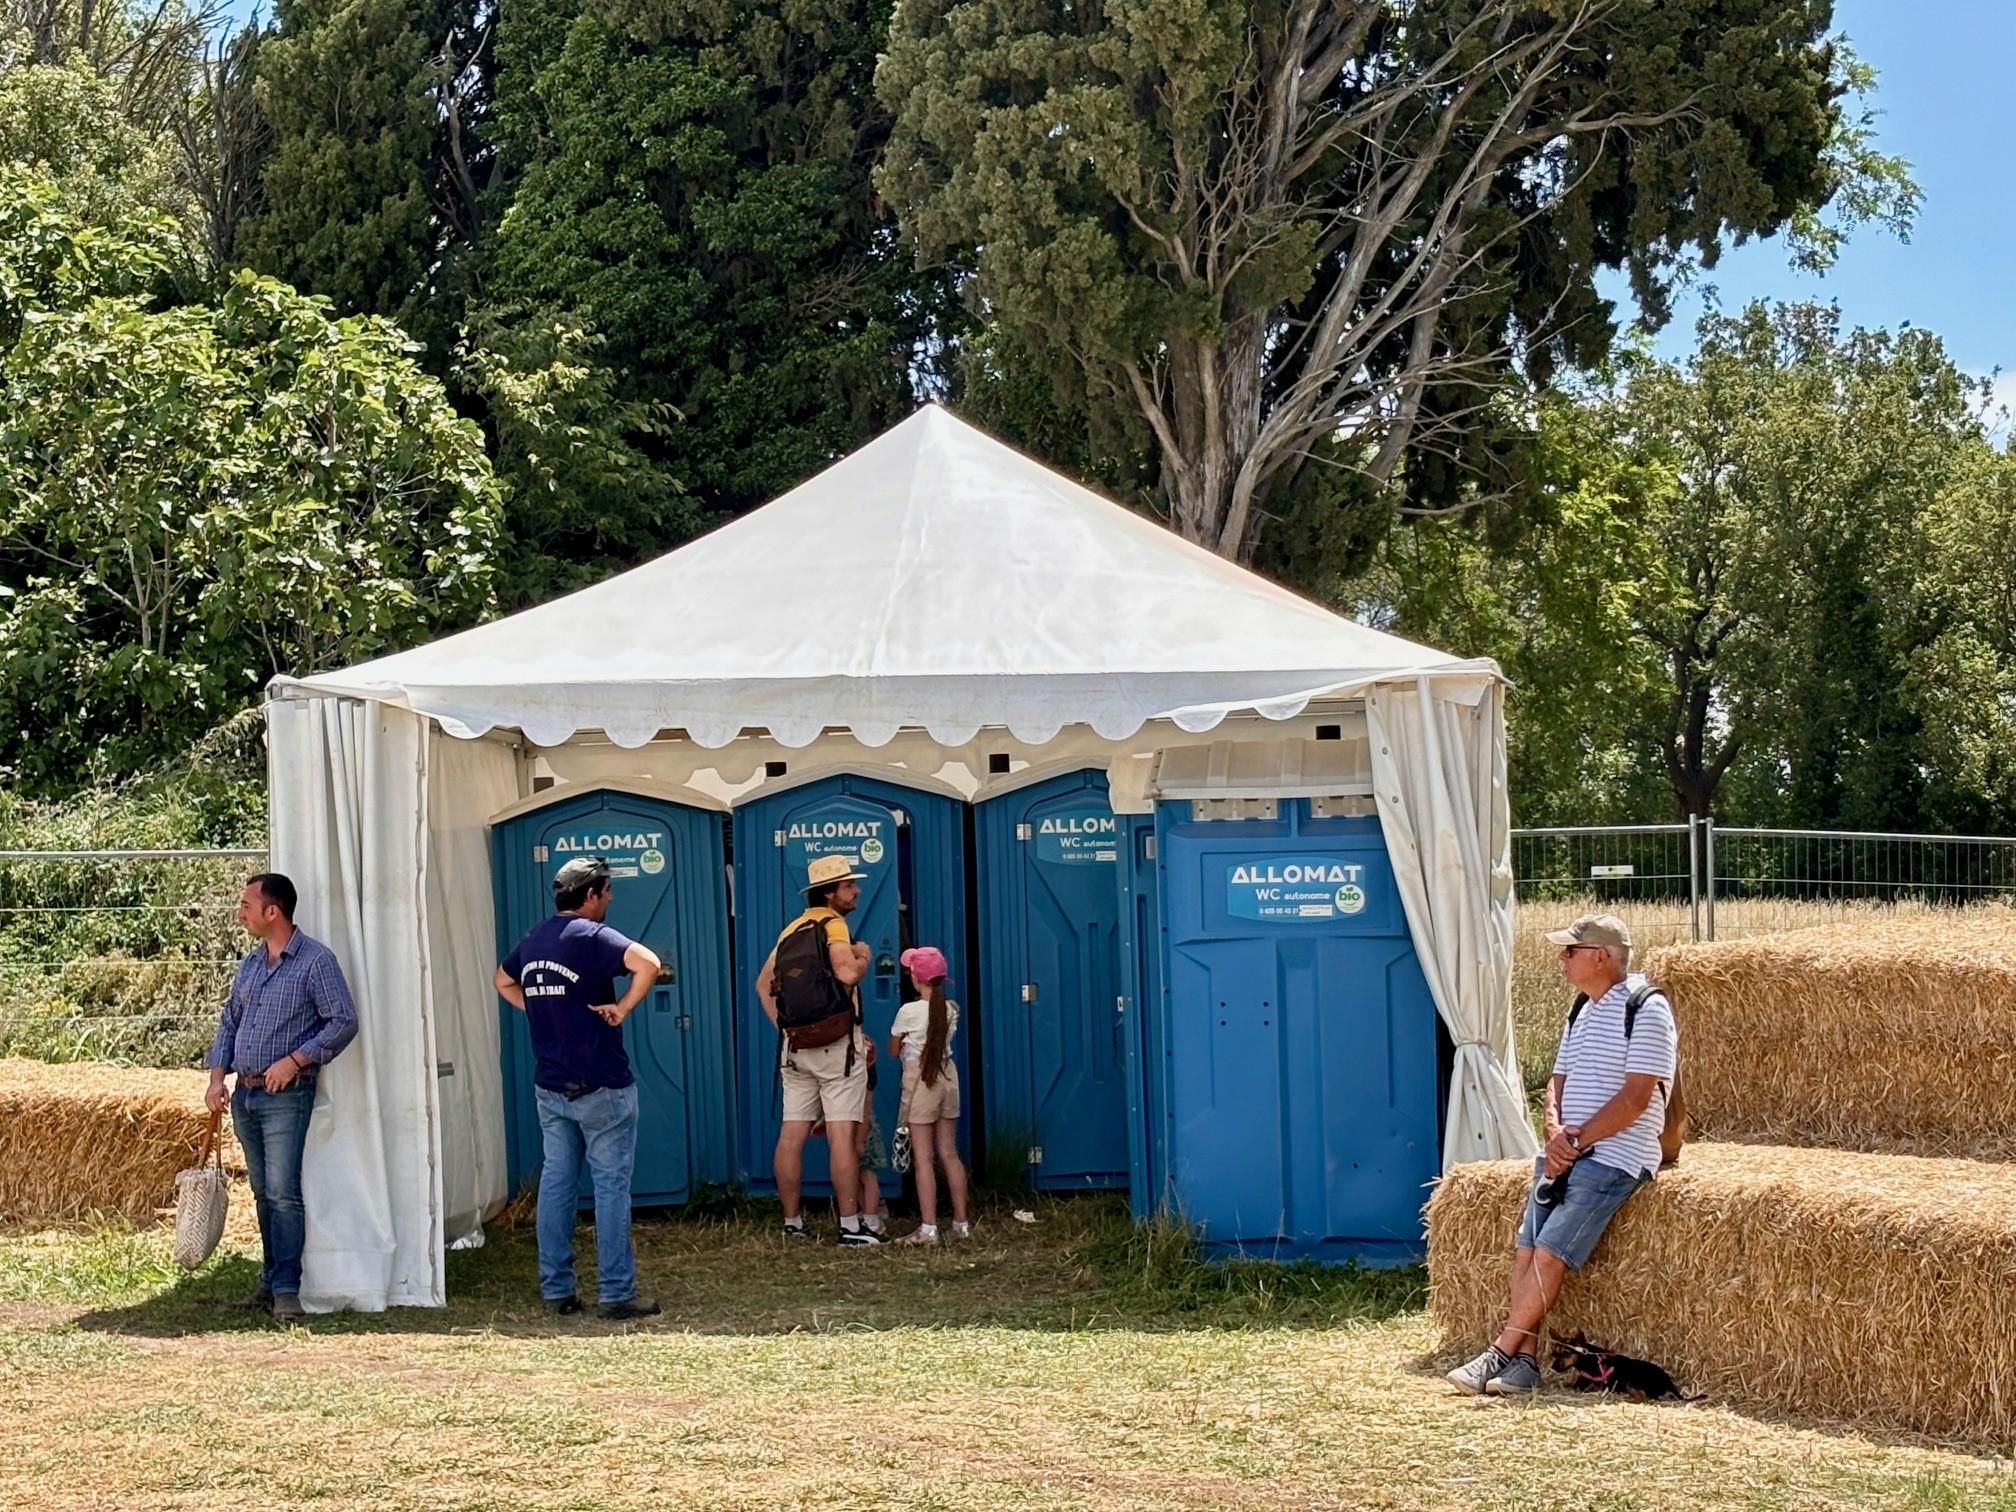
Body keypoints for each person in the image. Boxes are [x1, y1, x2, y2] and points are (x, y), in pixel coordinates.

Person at [1447, 912, 1678, 1397]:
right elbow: (1558, 1080)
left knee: (1550, 1254)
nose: (1561, 958)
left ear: (1602, 956)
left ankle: (1501, 1351)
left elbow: (1636, 1098)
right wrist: (1552, 1131)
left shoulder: (1648, 1009)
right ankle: (1525, 1363)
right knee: (1527, 1250)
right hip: (1566, 1153)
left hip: (1615, 1156)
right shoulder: (1582, 1009)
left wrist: (1573, 1142)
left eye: (1571, 951)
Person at [495, 856, 664, 1319]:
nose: (609, 898)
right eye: (606, 891)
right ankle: (615, 1292)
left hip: (550, 1085)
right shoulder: (591, 936)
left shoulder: (535, 937)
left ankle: (557, 1289)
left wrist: (537, 1009)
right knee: (610, 1187)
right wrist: (623, 1007)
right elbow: (648, 963)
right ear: (590, 895)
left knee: (556, 1183)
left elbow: (502, 979)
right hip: (601, 1082)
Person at [205, 873, 359, 1320]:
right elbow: (230, 1021)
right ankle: (270, 1282)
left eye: (247, 905)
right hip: (246, 1095)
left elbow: (343, 1021)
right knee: (261, 1192)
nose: (241, 913)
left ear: (273, 911)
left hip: (287, 1094)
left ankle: (288, 1289)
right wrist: (218, 1079)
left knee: (282, 1192)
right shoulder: (251, 965)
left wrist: (295, 1060)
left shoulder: (315, 962)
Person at [754, 853, 879, 1245]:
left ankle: (793, 1224)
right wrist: (862, 958)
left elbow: (762, 985)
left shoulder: (790, 930)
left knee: (791, 1134)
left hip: (795, 1047)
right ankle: (850, 1226)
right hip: (837, 1046)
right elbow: (845, 973)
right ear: (829, 893)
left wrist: (791, 1028)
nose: (855, 890)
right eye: (848, 885)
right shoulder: (834, 924)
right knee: (842, 1135)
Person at [887, 944, 970, 1245]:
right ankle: (961, 1224)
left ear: (915, 978)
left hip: (922, 1081)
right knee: (949, 1152)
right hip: (948, 1077)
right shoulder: (950, 1010)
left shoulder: (908, 1011)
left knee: (923, 1158)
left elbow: (893, 1049)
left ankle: (928, 1228)